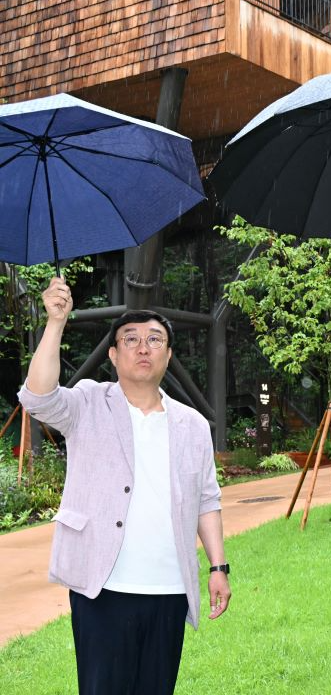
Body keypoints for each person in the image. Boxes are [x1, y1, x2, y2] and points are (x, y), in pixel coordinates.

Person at [18, 277, 231, 695]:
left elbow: (207, 499)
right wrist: (56, 322)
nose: (143, 347)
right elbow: (38, 397)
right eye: (130, 339)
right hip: (103, 588)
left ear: (168, 354)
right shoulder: (88, 402)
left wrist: (218, 567)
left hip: (170, 589)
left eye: (154, 339)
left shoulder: (191, 424)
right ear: (114, 355)